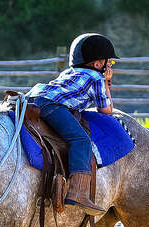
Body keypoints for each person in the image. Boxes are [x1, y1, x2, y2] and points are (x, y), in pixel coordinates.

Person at [26, 33, 119, 216]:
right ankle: (77, 192)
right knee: (80, 140)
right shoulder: (97, 78)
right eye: (109, 63)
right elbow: (106, 111)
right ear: (97, 64)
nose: (110, 66)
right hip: (52, 105)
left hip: (35, 98)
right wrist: (107, 82)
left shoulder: (69, 72)